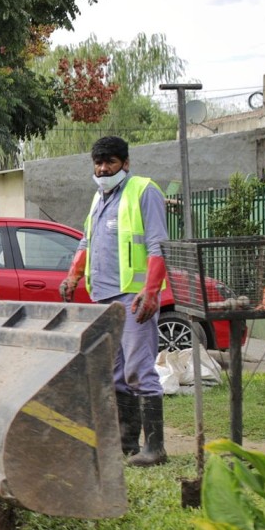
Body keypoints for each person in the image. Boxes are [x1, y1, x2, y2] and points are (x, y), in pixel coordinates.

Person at [59, 136, 169, 467]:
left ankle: (155, 449)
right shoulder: (99, 198)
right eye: (99, 163)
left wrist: (151, 290)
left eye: (110, 162)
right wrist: (73, 275)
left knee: (138, 369)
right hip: (104, 297)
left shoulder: (144, 191)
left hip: (134, 298)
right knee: (117, 373)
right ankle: (126, 444)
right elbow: (86, 241)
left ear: (126, 163)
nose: (103, 169)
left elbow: (158, 245)